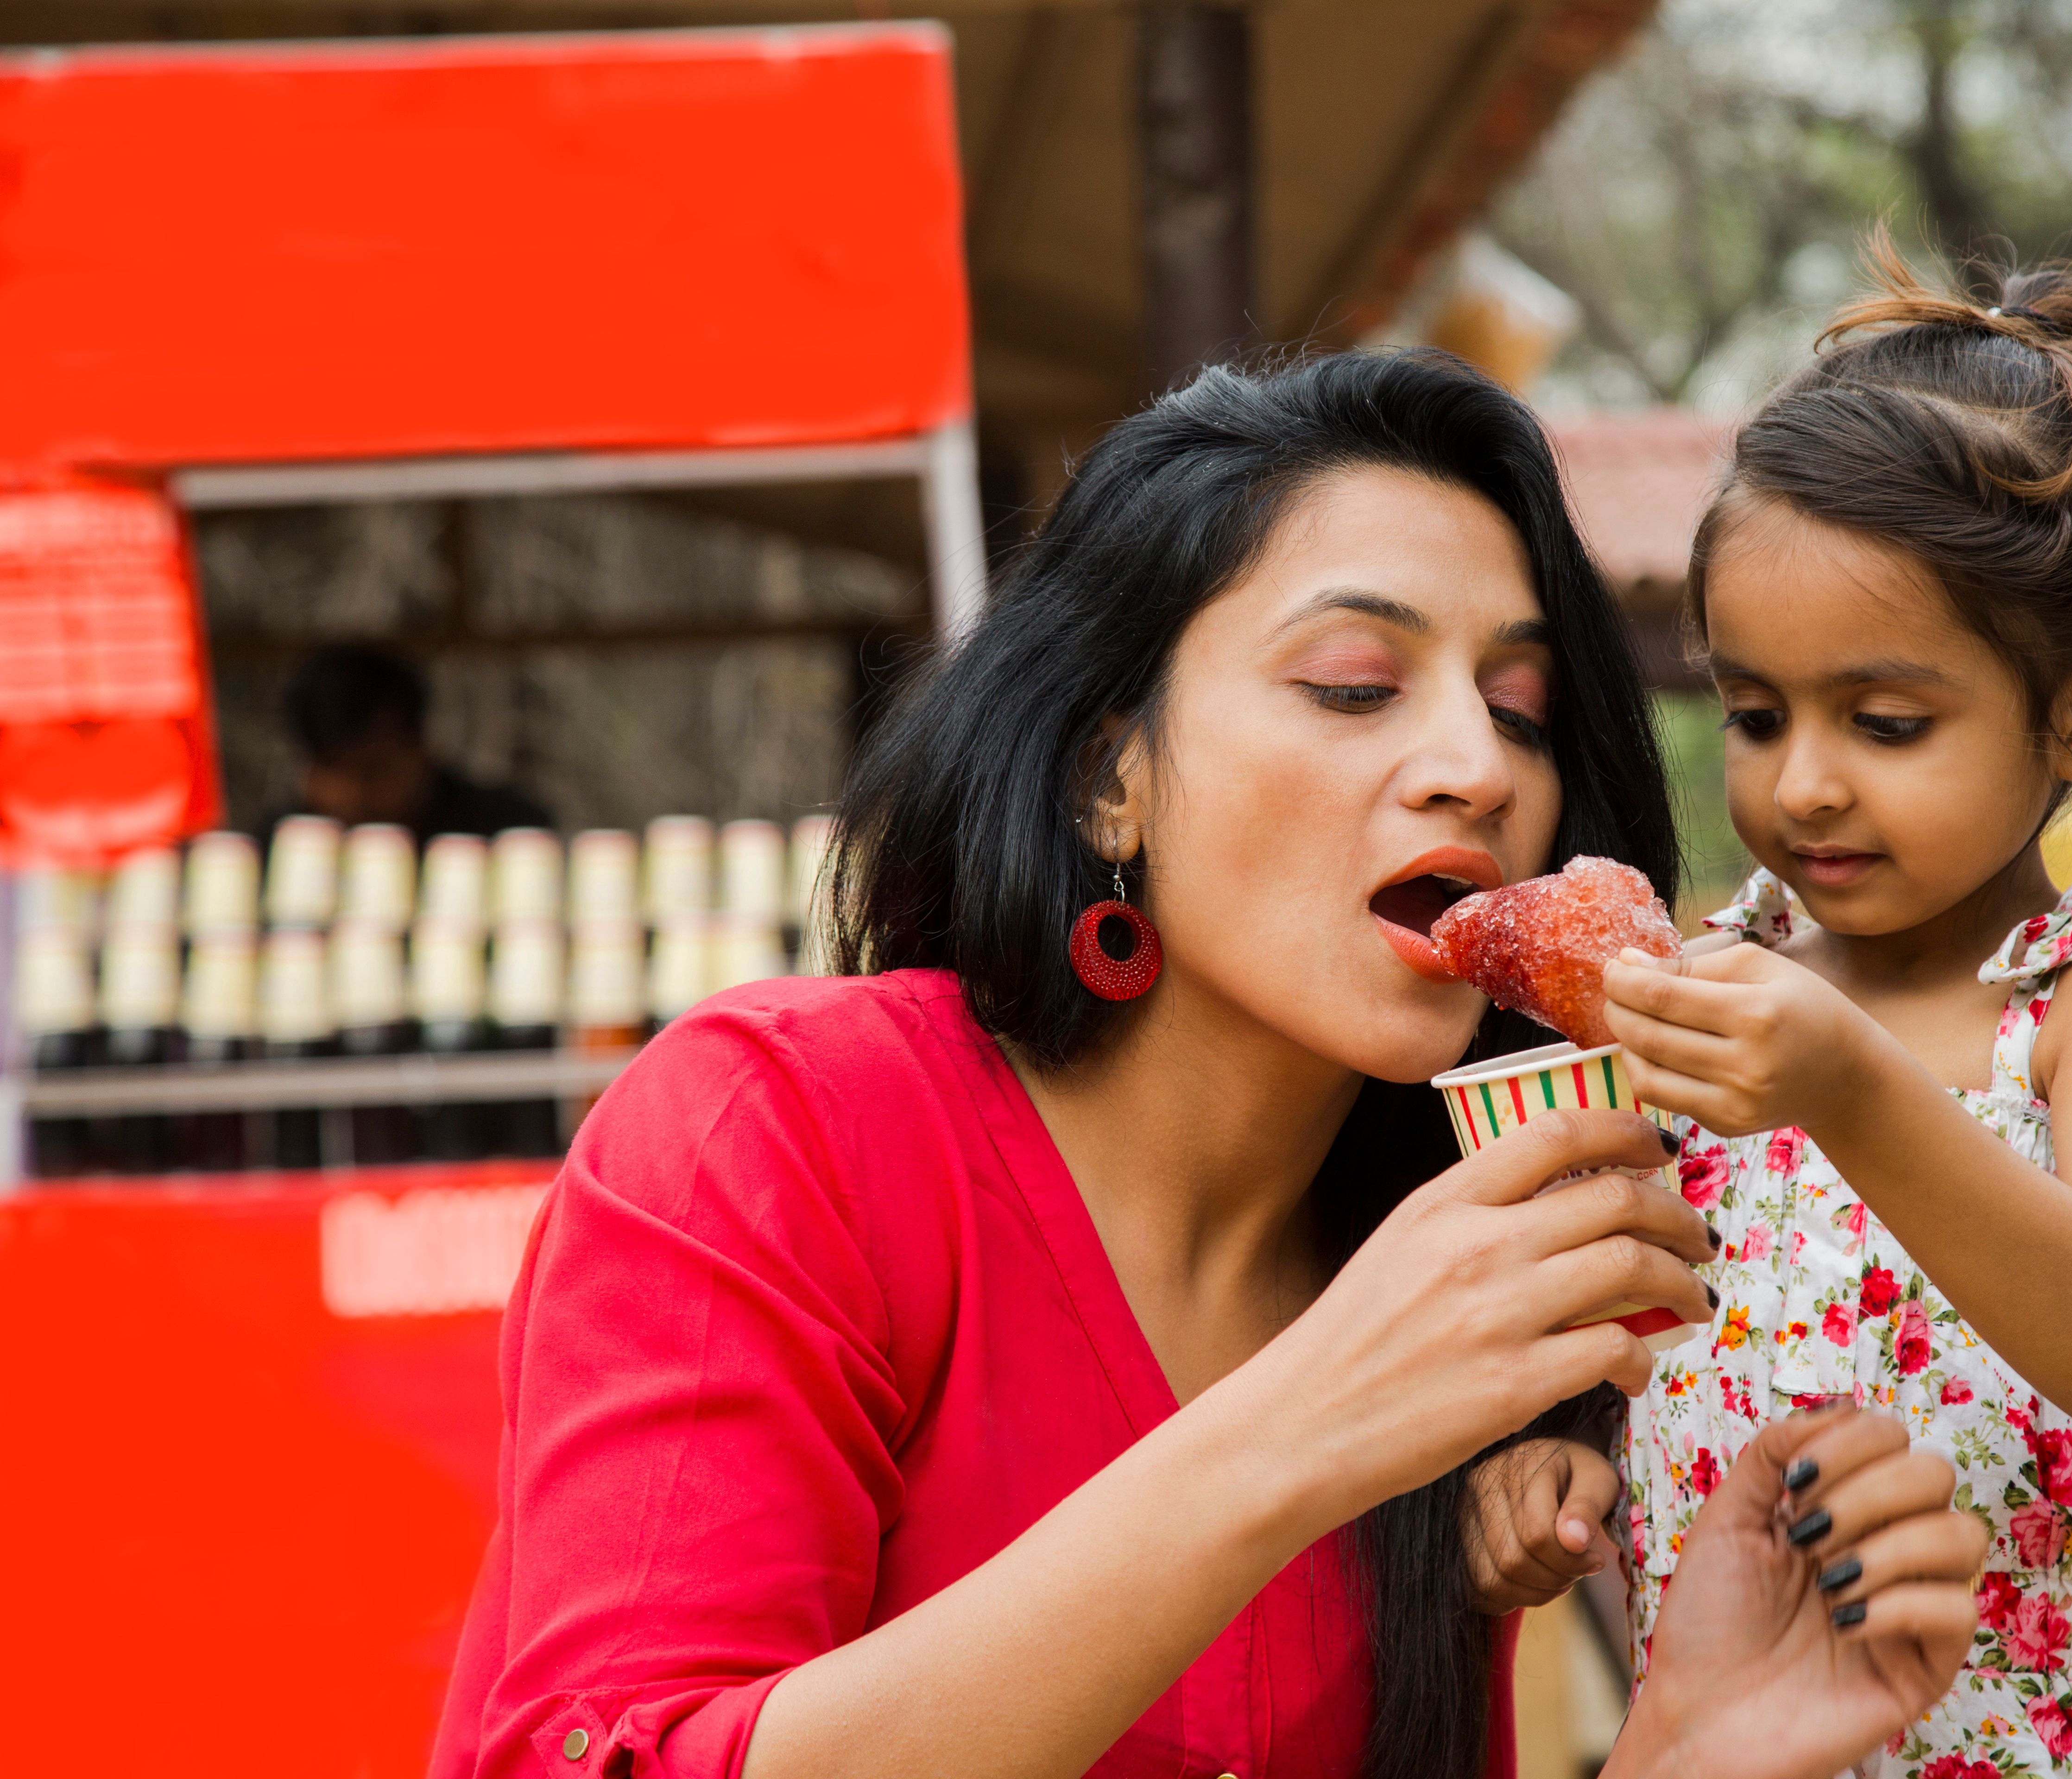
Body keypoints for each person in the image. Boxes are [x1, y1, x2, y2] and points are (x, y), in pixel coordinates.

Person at [430, 350, 1983, 1779]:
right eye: (1356, 685)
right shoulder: (782, 1131)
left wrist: (1685, 1751)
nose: (1478, 767)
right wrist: (1305, 1428)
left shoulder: (1442, 1271)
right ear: (1114, 778)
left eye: (1520, 710)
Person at [1464, 249, 2072, 1775]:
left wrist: (1857, 1088)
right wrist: (1543, 1466)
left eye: (1886, 723)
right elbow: (1618, 1319)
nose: (1804, 781)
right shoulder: (1705, 989)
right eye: (1755, 716)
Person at [281, 643, 551, 840]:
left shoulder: (502, 835)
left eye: (374, 771)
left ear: (421, 751)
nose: (354, 795)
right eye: (334, 772)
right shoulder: (285, 845)